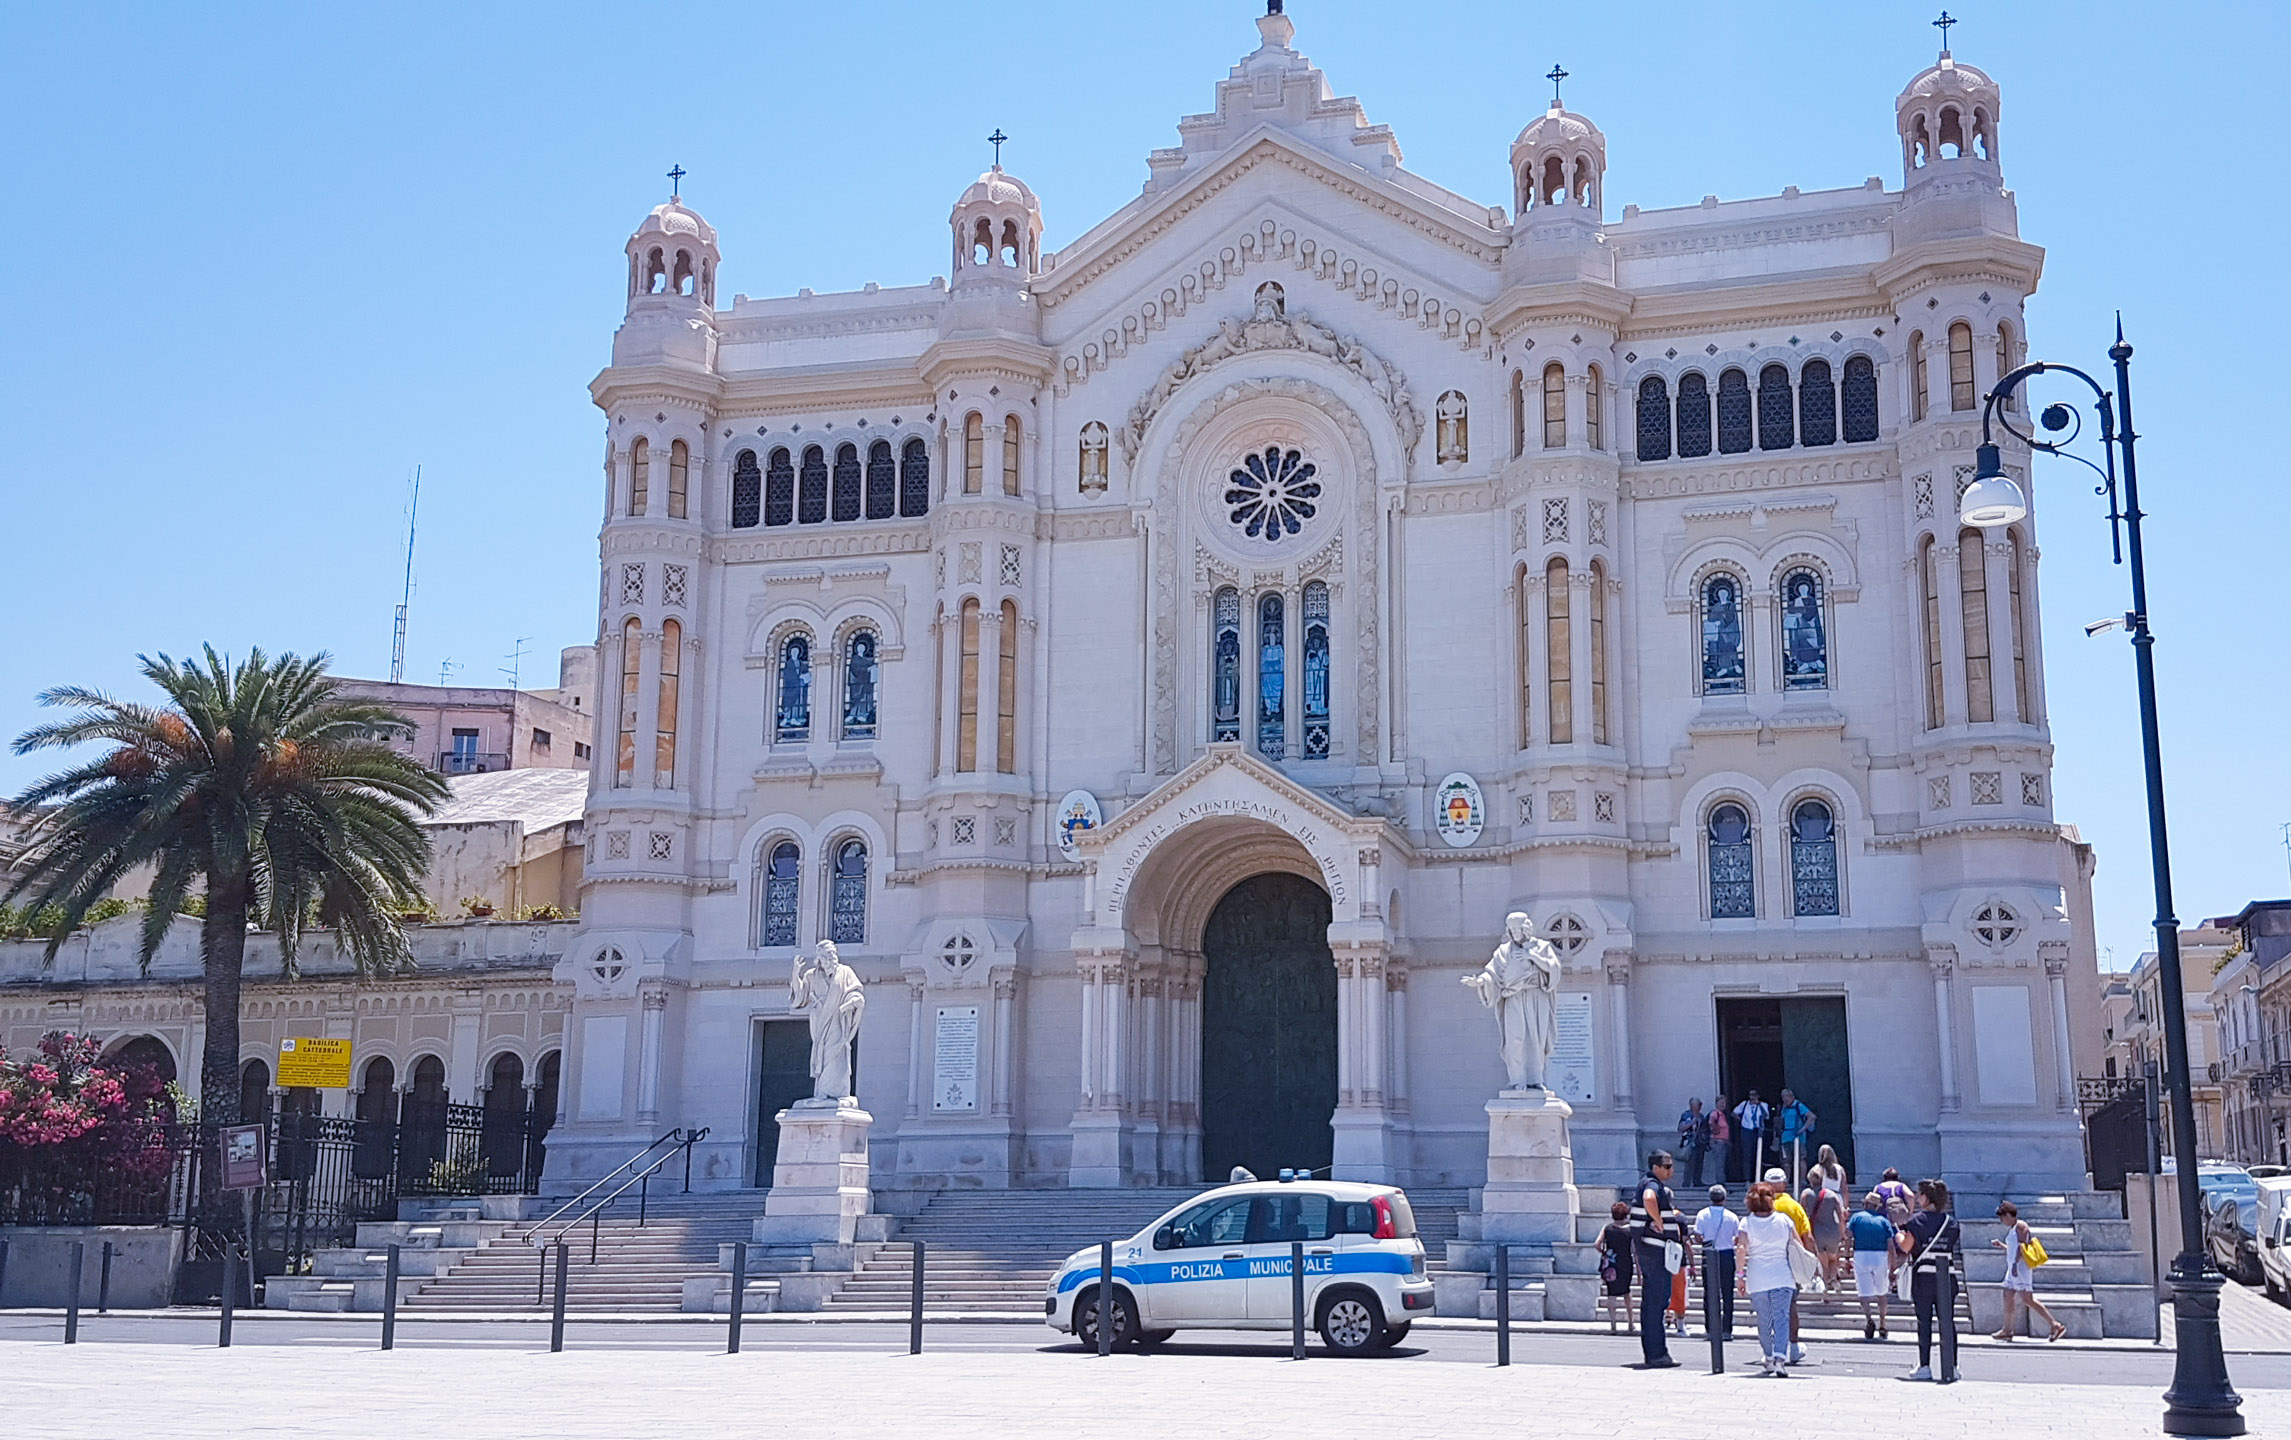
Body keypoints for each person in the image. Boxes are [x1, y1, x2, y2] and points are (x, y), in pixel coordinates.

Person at [1736, 1182, 1812, 1377]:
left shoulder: (1747, 1223)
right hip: (1782, 1276)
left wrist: (1740, 1276)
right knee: (1781, 1318)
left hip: (1757, 1276)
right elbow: (1796, 1244)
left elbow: (1742, 1249)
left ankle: (1768, 1356)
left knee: (1764, 1319)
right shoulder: (1784, 1220)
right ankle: (1780, 1358)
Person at [1896, 1178, 1963, 1382]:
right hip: (1947, 1276)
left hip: (1924, 1276)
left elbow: (1906, 1247)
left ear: (1925, 1198)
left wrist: (1898, 1237)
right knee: (1947, 1321)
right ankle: (1952, 1365)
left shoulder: (1916, 1222)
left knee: (1924, 1322)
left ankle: (1925, 1365)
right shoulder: (1951, 1223)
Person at [1629, 1150, 1683, 1367]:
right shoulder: (1651, 1185)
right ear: (1655, 1167)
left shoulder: (1649, 1182)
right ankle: (1657, 1353)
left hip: (1652, 1251)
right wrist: (1659, 1221)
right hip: (1655, 1251)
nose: (1671, 1170)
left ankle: (1655, 1352)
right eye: (1667, 1166)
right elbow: (1649, 1199)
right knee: (1656, 1301)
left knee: (1655, 1301)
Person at [1991, 1200, 2067, 1342]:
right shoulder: (2014, 1228)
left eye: (2002, 1217)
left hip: (2020, 1268)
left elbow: (2023, 1248)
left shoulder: (2020, 1226)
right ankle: (2007, 1329)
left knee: (2027, 1299)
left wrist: (2014, 1264)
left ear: (2008, 1214)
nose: (2002, 1221)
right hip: (2013, 1267)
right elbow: (2014, 1249)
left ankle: (2054, 1324)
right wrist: (2002, 1246)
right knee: (2008, 1295)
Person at [1763, 1167, 1813, 1364]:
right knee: (1790, 1306)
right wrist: (1811, 1260)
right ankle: (1792, 1345)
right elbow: (1807, 1235)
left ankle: (1770, 1347)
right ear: (1784, 1184)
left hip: (1765, 1262)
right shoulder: (1793, 1206)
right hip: (1788, 1262)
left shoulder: (1759, 1206)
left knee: (1768, 1307)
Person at [1694, 1184, 1742, 1339]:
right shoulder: (1732, 1216)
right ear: (1724, 1198)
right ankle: (1727, 1329)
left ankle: (1710, 1329)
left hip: (1709, 1254)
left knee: (1709, 1293)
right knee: (1727, 1293)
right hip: (1726, 1254)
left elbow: (1698, 1236)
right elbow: (1737, 1238)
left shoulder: (1702, 1214)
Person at [1848, 1191, 1897, 1340]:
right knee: (1881, 1293)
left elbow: (1847, 1238)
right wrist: (1893, 1268)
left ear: (1865, 1204)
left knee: (1864, 1292)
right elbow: (1891, 1247)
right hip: (1879, 1256)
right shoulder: (1883, 1221)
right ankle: (1883, 1324)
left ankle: (1869, 1318)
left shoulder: (1856, 1218)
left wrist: (1845, 1257)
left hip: (1861, 1255)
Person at [1597, 1199, 1636, 1333]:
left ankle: (1613, 1325)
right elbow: (1634, 1250)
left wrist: (1605, 1253)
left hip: (1611, 1263)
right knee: (1626, 1292)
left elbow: (1597, 1244)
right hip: (1625, 1262)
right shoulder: (1630, 1230)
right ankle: (1631, 1322)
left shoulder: (1607, 1228)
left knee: (1611, 1294)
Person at [1776, 1088, 1816, 1177]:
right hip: (1785, 1137)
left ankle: (1802, 1180)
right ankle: (1786, 1180)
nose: (1785, 1099)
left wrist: (1803, 1129)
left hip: (1798, 1137)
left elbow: (1812, 1116)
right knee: (1785, 1160)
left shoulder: (1799, 1106)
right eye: (1783, 1097)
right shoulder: (1784, 1108)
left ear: (1792, 1097)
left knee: (1800, 1158)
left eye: (1787, 1097)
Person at [1734, 1091, 1771, 1180]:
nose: (1752, 1097)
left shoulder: (1763, 1105)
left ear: (1758, 1096)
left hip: (1758, 1130)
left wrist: (1759, 1105)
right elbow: (1734, 1113)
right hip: (1747, 1130)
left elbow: (1766, 1116)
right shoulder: (1744, 1104)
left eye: (1754, 1095)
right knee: (1747, 1155)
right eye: (1751, 1095)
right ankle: (1747, 1179)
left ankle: (1760, 1178)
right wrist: (1742, 1120)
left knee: (1759, 1154)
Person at [1678, 1098, 1711, 1188]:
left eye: (1699, 1105)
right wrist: (1692, 1122)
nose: (1699, 1107)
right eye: (1697, 1104)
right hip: (1690, 1142)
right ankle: (1686, 1183)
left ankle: (1697, 1181)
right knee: (1690, 1164)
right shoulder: (1686, 1115)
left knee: (1699, 1162)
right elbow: (1681, 1128)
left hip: (1700, 1142)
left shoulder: (1701, 1116)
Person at [1708, 1096, 1734, 1184]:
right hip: (1718, 1141)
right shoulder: (1715, 1114)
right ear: (1716, 1103)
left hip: (1723, 1141)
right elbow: (1711, 1123)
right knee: (1719, 1162)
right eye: (1721, 1102)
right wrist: (1716, 1130)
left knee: (1722, 1162)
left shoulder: (1723, 1115)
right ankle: (1720, 1182)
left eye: (1724, 1103)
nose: (1723, 1105)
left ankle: (1722, 1180)